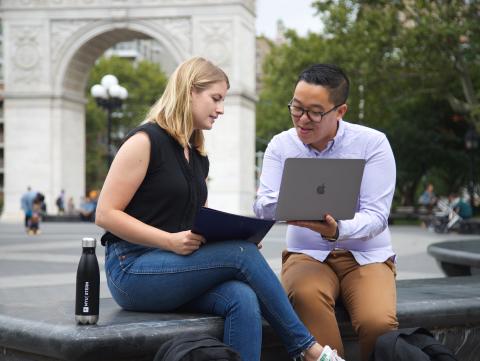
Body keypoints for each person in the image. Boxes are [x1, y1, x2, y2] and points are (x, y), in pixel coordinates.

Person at [95, 57, 343, 361]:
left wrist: (232, 234)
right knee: (241, 255)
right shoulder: (145, 141)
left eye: (223, 100)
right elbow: (105, 213)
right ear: (189, 92)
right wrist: (169, 240)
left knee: (242, 296)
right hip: (131, 269)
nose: (221, 109)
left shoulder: (197, 155)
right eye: (215, 98)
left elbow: (200, 220)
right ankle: (308, 349)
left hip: (175, 265)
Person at [254, 64, 398, 361]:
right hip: (306, 254)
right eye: (296, 108)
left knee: (378, 323)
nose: (302, 120)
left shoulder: (372, 143)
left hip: (366, 256)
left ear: (340, 111)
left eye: (315, 112)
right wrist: (295, 194)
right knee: (306, 297)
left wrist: (336, 229)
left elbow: (376, 215)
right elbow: (261, 206)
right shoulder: (282, 145)